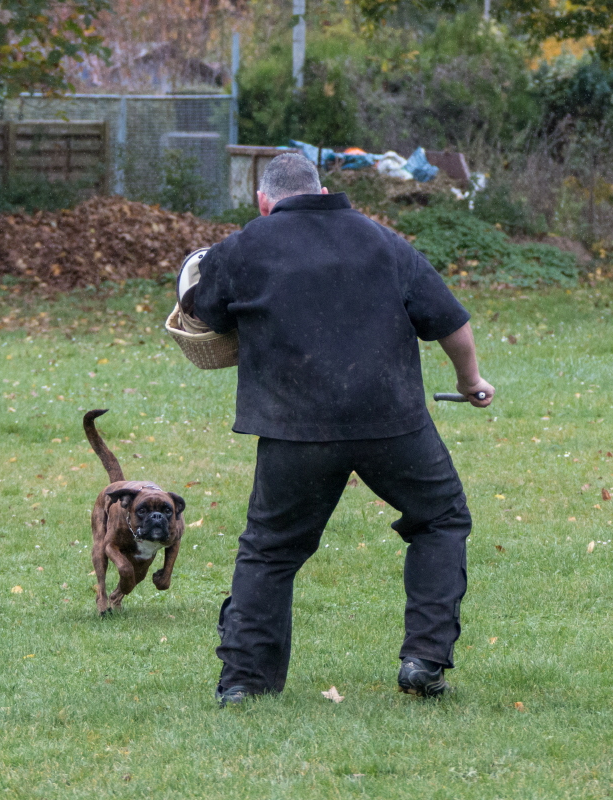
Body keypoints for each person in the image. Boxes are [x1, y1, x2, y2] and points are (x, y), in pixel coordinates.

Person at [192, 152, 494, 705]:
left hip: (293, 429)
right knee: (441, 518)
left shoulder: (241, 247)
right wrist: (470, 380)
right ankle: (424, 659)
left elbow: (204, 315)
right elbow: (450, 320)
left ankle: (244, 682)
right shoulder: (383, 241)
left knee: (270, 550)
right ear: (323, 191)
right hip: (390, 422)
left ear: (264, 201)